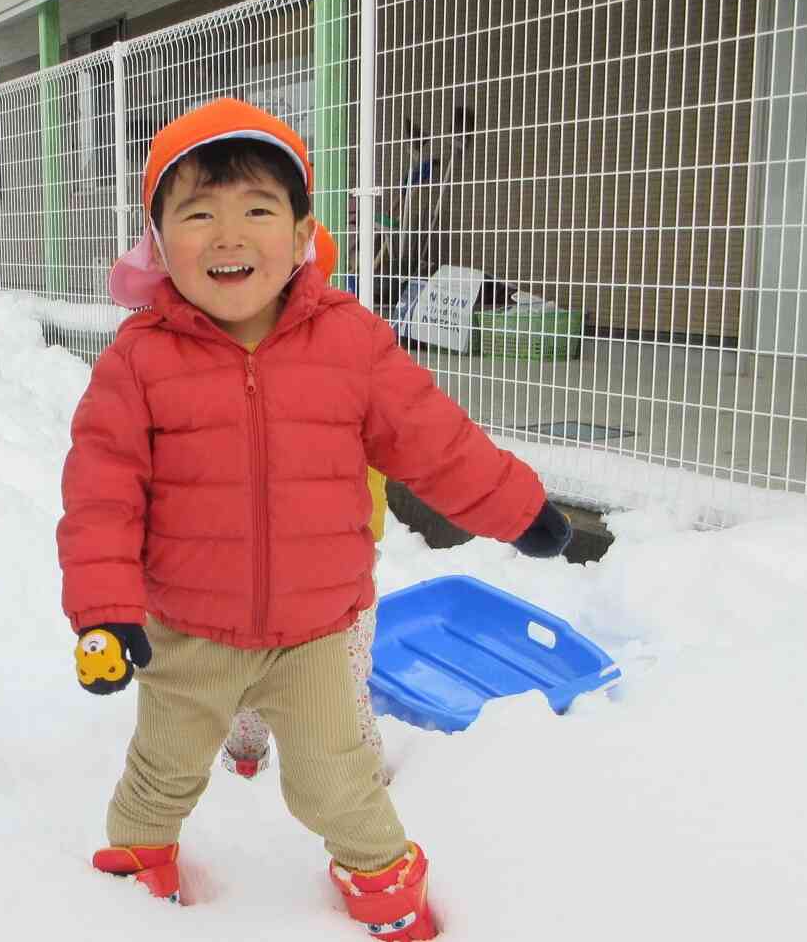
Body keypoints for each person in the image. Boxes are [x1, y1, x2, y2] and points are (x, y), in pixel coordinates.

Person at [57, 98, 571, 940]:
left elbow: (433, 439)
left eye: (258, 210)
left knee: (337, 778)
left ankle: (384, 883)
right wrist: (106, 611)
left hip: (315, 632)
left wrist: (517, 507)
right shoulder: (137, 360)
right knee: (164, 767)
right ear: (157, 245)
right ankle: (137, 866)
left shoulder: (349, 342)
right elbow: (102, 496)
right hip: (185, 628)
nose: (228, 236)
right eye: (198, 214)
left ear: (302, 235)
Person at [220, 225, 390, 784]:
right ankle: (347, 766)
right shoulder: (353, 347)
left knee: (307, 668)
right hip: (289, 553)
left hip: (330, 551)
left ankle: (325, 762)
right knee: (330, 673)